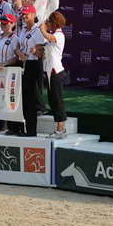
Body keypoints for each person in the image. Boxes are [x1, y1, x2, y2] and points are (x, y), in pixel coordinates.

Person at [15, 5, 45, 137]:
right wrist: (19, 53)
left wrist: (34, 51)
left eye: (26, 14)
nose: (24, 16)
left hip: (34, 65)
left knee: (31, 99)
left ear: (33, 14)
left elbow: (41, 52)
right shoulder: (22, 30)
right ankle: (26, 129)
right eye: (22, 14)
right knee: (25, 99)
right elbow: (17, 46)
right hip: (24, 65)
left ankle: (32, 131)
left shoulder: (37, 31)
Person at [39, 11, 67, 139]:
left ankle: (60, 130)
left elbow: (49, 38)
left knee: (57, 100)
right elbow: (46, 44)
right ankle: (59, 128)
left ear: (54, 23)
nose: (48, 24)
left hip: (56, 71)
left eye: (49, 22)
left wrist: (42, 29)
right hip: (50, 72)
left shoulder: (59, 35)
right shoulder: (53, 35)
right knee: (52, 101)